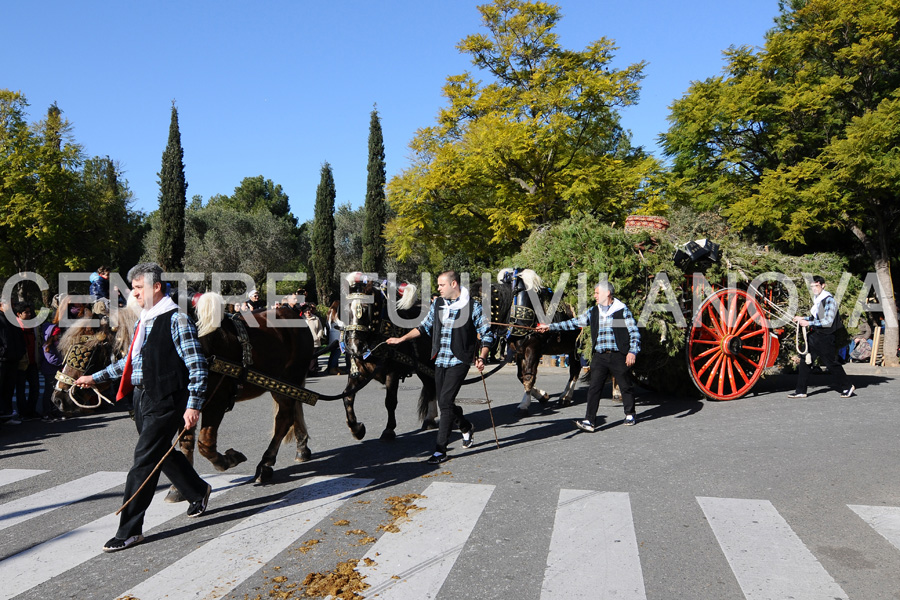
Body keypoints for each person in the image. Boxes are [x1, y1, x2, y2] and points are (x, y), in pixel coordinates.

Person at [75, 262, 212, 553]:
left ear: (157, 287)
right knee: (159, 451)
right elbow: (130, 363)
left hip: (166, 397)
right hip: (142, 397)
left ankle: (130, 530)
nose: (133, 293)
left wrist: (193, 405)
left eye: (138, 288)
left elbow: (197, 366)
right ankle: (197, 490)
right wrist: (94, 377)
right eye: (133, 288)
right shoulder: (145, 319)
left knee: (143, 461)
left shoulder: (177, 319)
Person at [386, 270, 493, 464]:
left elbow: (486, 333)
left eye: (441, 285)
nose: (438, 288)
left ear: (454, 284)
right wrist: (401, 339)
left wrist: (483, 356)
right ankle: (466, 426)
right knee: (447, 402)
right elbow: (423, 327)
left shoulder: (473, 306)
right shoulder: (438, 304)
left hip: (459, 360)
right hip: (439, 360)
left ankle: (440, 450)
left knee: (444, 402)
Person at [536, 281, 641, 431]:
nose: (595, 296)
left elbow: (634, 332)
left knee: (625, 386)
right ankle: (589, 421)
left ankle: (630, 413)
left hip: (618, 355)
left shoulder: (621, 311)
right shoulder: (594, 312)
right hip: (599, 356)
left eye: (597, 293)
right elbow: (573, 323)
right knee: (594, 388)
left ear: (607, 293)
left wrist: (632, 351)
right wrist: (549, 327)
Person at [789, 275, 855, 398]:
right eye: (812, 286)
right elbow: (817, 318)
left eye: (816, 286)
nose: (814, 289)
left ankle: (847, 386)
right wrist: (803, 318)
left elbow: (827, 321)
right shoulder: (818, 299)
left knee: (831, 363)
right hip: (815, 335)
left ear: (823, 285)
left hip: (826, 336)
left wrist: (809, 323)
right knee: (805, 361)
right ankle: (801, 390)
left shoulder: (828, 299)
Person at [13, 302, 42, 420]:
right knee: (20, 389)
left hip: (33, 362)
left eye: (30, 312)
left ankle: (31, 410)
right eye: (26, 312)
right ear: (19, 314)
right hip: (20, 363)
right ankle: (23, 412)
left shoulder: (33, 326)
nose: (29, 314)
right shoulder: (14, 326)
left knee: (35, 387)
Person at [0, 298, 25, 424]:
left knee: (9, 389)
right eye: (9, 304)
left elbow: (20, 337)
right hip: (2, 360)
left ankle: (7, 415)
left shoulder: (12, 319)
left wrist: (21, 352)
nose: (12, 306)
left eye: (13, 304)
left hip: (13, 359)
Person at [304, 305, 326, 373]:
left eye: (309, 311)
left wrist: (319, 336)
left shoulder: (316, 318)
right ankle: (307, 371)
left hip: (315, 341)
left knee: (314, 357)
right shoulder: (301, 319)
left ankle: (313, 371)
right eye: (306, 311)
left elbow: (320, 328)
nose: (308, 312)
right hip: (305, 342)